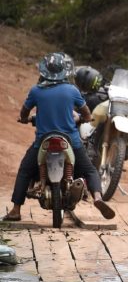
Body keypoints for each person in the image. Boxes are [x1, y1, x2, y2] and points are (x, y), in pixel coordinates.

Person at [1, 52, 115, 222]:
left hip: (43, 142)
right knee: (90, 169)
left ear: (44, 71)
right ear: (64, 71)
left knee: (25, 170)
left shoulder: (36, 91)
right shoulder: (72, 90)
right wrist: (83, 118)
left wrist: (25, 119)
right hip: (71, 141)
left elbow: (24, 112)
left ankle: (16, 210)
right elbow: (86, 114)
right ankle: (97, 197)